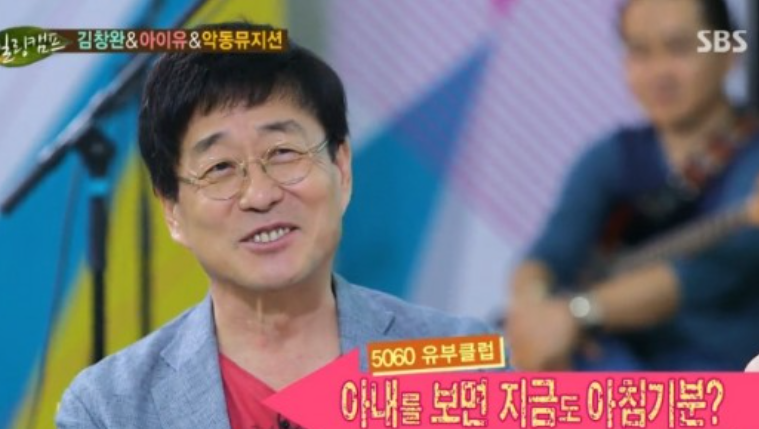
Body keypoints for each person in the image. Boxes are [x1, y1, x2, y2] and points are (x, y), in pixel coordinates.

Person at [56, 22, 499, 428]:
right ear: (172, 210)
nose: (260, 194)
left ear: (341, 168)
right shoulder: (108, 408)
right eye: (220, 168)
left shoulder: (460, 359)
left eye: (284, 152)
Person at [505, 0, 759, 371]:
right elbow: (549, 254)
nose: (659, 72)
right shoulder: (611, 156)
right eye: (640, 51)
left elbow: (704, 274)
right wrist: (535, 309)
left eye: (679, 47)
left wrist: (577, 313)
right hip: (606, 368)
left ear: (729, 53)